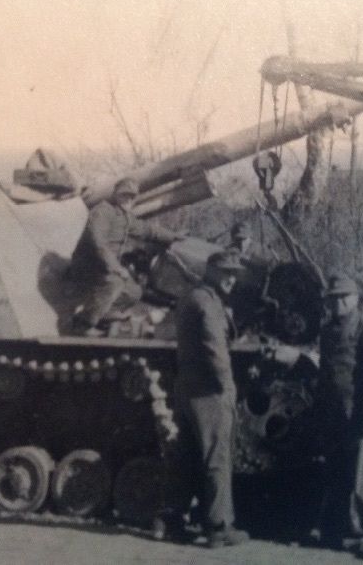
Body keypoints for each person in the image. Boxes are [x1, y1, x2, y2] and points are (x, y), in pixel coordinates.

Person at [273, 272, 363, 559]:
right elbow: (327, 375)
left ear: (356, 298)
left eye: (343, 297)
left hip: (362, 417)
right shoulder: (328, 331)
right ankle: (343, 533)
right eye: (333, 298)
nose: (338, 303)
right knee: (338, 477)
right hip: (336, 416)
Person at [171, 251, 250, 548]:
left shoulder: (191, 296)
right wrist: (228, 386)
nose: (232, 278)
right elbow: (215, 351)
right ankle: (218, 527)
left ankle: (173, 521)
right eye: (227, 272)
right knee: (217, 457)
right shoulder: (208, 303)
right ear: (211, 271)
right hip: (209, 391)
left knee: (188, 456)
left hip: (187, 388)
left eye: (235, 273)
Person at [69, 177, 184, 337]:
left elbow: (148, 230)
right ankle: (82, 324)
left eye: (131, 196)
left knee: (134, 291)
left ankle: (105, 313)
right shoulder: (103, 211)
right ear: (115, 194)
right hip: (87, 265)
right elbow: (98, 243)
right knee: (115, 282)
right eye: (124, 195)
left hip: (104, 266)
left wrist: (174, 237)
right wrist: (116, 268)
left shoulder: (125, 217)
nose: (128, 199)